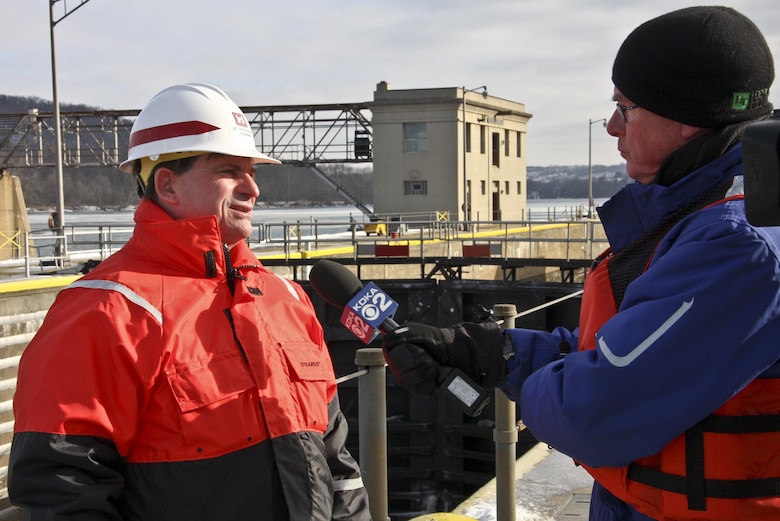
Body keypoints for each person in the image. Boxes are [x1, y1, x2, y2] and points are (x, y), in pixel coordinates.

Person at [382, 6, 780, 521]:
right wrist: (489, 351)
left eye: (626, 107)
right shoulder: (707, 214)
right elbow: (626, 351)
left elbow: (597, 409)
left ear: (686, 119)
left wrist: (516, 380)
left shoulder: (737, 247)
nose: (613, 125)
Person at [8, 83, 371, 521]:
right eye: (229, 171)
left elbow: (336, 460)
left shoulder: (287, 299)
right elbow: (61, 490)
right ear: (168, 185)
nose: (252, 189)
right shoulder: (104, 313)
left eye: (252, 172)